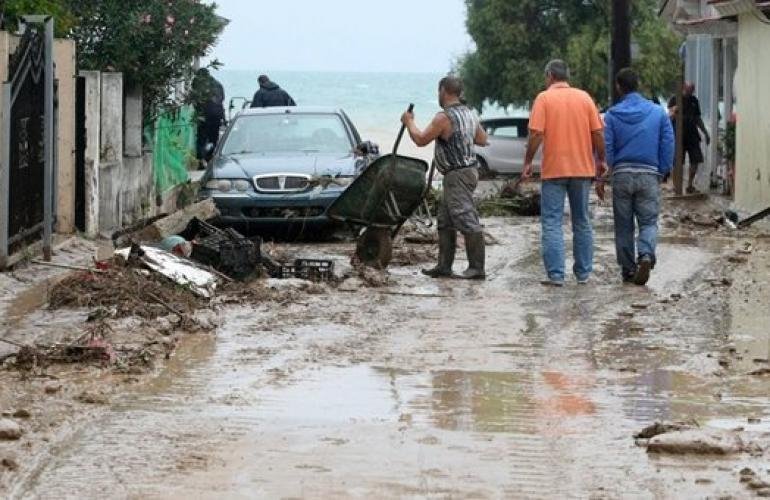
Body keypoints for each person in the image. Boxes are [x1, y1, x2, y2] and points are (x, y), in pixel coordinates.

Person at [523, 59, 606, 287]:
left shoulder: (544, 98)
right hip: (582, 170)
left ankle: (556, 276)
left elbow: (537, 134)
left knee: (552, 222)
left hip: (554, 171)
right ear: (567, 76)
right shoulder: (584, 98)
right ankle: (583, 274)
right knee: (582, 221)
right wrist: (602, 160)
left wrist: (528, 161)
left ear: (549, 75)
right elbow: (598, 133)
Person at [401, 76, 488, 280]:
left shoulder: (444, 117)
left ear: (443, 91)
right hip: (467, 171)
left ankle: (477, 268)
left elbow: (421, 139)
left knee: (466, 218)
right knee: (445, 221)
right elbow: (483, 140)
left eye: (438, 92)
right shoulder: (469, 114)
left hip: (457, 174)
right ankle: (444, 266)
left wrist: (409, 122)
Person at [602, 68, 674, 286]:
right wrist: (663, 169)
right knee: (649, 221)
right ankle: (645, 254)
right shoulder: (658, 112)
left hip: (622, 174)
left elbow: (608, 146)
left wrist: (612, 168)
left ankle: (628, 270)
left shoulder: (613, 115)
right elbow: (668, 142)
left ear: (618, 86)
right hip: (649, 173)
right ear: (638, 84)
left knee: (623, 225)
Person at [668, 82, 710, 193]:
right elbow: (669, 116)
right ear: (683, 88)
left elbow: (698, 118)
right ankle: (676, 186)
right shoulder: (674, 99)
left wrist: (705, 132)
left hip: (692, 135)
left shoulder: (694, 101)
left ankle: (690, 185)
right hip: (678, 136)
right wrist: (674, 111)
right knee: (677, 162)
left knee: (695, 160)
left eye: (692, 90)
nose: (690, 92)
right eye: (688, 90)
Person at [191, 68, 226, 164]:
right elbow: (221, 99)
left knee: (201, 137)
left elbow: (195, 100)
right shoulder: (218, 84)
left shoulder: (198, 84)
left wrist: (199, 113)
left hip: (204, 114)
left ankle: (201, 159)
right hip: (217, 114)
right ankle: (210, 158)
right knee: (213, 137)